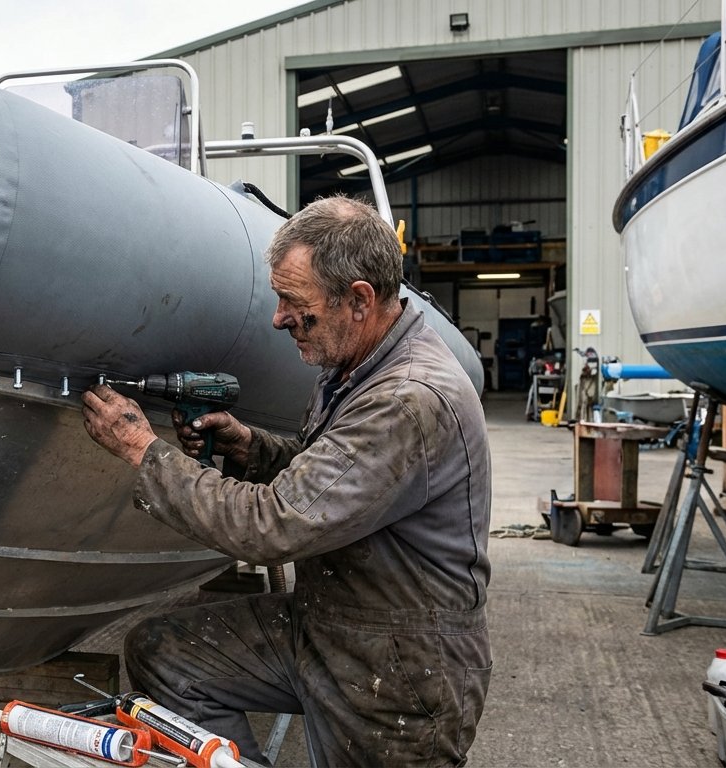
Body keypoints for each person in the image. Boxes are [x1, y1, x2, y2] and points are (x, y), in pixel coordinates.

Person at [80, 196, 492, 767]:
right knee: (165, 654)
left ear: (359, 300)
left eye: (294, 303)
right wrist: (253, 449)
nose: (278, 318)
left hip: (399, 663)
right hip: (326, 622)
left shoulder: (408, 398)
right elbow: (334, 477)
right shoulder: (353, 363)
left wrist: (143, 450)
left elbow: (272, 526)